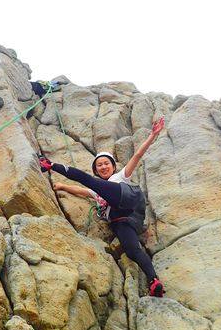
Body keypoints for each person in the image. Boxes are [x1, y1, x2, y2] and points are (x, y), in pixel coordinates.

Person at [39, 118, 166, 297]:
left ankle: (50, 165)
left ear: (114, 167)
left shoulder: (121, 176)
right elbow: (81, 190)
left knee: (93, 183)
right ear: (97, 170)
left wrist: (153, 135)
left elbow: (137, 156)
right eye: (99, 165)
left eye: (107, 163)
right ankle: (154, 281)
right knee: (132, 250)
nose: (103, 166)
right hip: (124, 220)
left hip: (128, 199)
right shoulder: (96, 191)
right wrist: (63, 187)